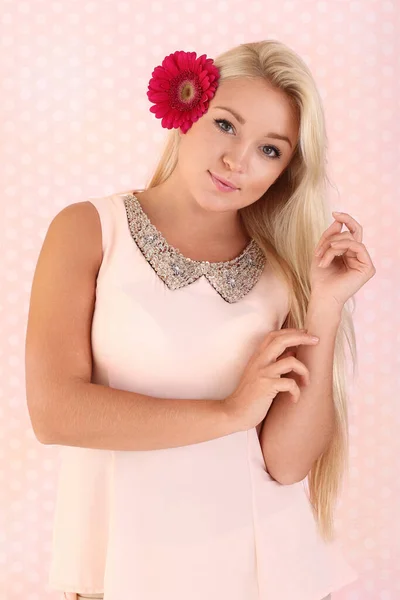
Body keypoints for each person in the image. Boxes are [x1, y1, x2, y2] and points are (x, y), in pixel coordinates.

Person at [25, 40, 376, 600]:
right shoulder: (90, 229)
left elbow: (286, 465)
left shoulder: (287, 269)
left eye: (270, 150)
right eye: (226, 124)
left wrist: (326, 306)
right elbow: (56, 414)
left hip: (269, 570)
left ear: (286, 172)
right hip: (124, 564)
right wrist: (231, 412)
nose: (237, 160)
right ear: (186, 110)